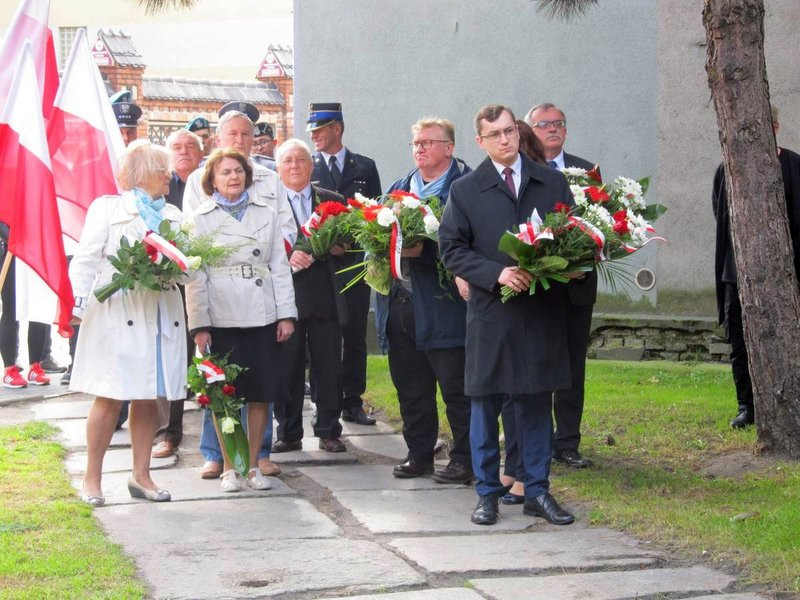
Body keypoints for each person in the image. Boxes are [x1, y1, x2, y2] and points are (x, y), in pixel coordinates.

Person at [439, 104, 576, 526]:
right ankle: (487, 494)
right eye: (494, 134)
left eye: (509, 131)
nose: (505, 139)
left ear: (518, 132)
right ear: (480, 141)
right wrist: (496, 273)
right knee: (485, 406)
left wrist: (561, 264)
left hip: (539, 312)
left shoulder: (551, 181)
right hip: (491, 315)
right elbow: (451, 249)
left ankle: (537, 491)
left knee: (536, 403)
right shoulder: (465, 189)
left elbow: (572, 236)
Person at [69, 141, 187, 506]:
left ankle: (141, 475)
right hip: (118, 312)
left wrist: (180, 266)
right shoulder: (107, 208)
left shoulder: (174, 214)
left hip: (159, 312)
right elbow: (86, 258)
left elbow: (189, 268)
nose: (168, 175)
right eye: (162, 169)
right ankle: (92, 478)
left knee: (147, 394)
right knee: (109, 395)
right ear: (141, 173)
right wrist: (76, 304)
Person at [183, 105, 295, 478]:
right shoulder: (199, 213)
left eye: (238, 171)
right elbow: (194, 271)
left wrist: (286, 313)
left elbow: (279, 261)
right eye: (225, 172)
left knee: (261, 387)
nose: (233, 176)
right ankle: (222, 459)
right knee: (221, 387)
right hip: (222, 309)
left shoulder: (268, 194)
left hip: (261, 308)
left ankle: (256, 458)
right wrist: (199, 323)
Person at [374, 117, 473, 483]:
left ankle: (465, 459)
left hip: (445, 305)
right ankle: (419, 453)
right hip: (401, 303)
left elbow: (470, 243)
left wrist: (426, 250)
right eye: (416, 143)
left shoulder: (466, 187)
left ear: (449, 147)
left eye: (428, 142)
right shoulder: (399, 188)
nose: (420, 148)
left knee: (456, 388)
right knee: (411, 387)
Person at [712, 105, 800, 429]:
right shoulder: (726, 169)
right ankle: (746, 406)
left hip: (786, 274)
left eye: (767, 125)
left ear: (775, 126)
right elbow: (719, 214)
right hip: (737, 274)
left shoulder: (794, 165)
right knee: (740, 343)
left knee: (786, 341)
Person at [525, 102, 598, 469]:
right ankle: (531, 439)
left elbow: (602, 224)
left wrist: (583, 259)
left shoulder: (587, 172)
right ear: (529, 131)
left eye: (558, 123)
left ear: (566, 130)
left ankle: (567, 441)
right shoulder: (521, 171)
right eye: (543, 124)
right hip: (532, 288)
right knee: (532, 363)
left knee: (572, 367)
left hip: (576, 286)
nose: (552, 128)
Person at [308, 102, 382, 426]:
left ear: (336, 128)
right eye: (311, 131)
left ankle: (353, 401)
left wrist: (352, 242)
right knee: (322, 338)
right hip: (321, 267)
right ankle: (324, 403)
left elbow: (375, 213)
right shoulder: (309, 167)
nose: (314, 136)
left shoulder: (364, 167)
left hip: (354, 265)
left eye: (319, 130)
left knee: (354, 336)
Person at [274, 138, 348, 452]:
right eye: (288, 161)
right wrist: (287, 256)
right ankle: (288, 432)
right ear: (278, 168)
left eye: (301, 160)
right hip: (286, 298)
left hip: (325, 295)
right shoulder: (268, 203)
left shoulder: (332, 200)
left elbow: (350, 241)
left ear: (312, 165)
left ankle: (329, 430)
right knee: (287, 366)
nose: (295, 166)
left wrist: (340, 245)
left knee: (329, 365)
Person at [149, 129, 205, 460]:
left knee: (211, 358)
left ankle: (218, 439)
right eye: (177, 147)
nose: (183, 152)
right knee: (171, 358)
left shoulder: (208, 182)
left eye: (190, 147)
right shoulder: (159, 189)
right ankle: (167, 433)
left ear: (202, 153)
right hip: (170, 286)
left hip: (205, 281)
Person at [0, 223, 51, 388]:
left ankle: (36, 366)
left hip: (36, 253)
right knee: (10, 310)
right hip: (11, 254)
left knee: (38, 308)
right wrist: (14, 239)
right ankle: (10, 369)